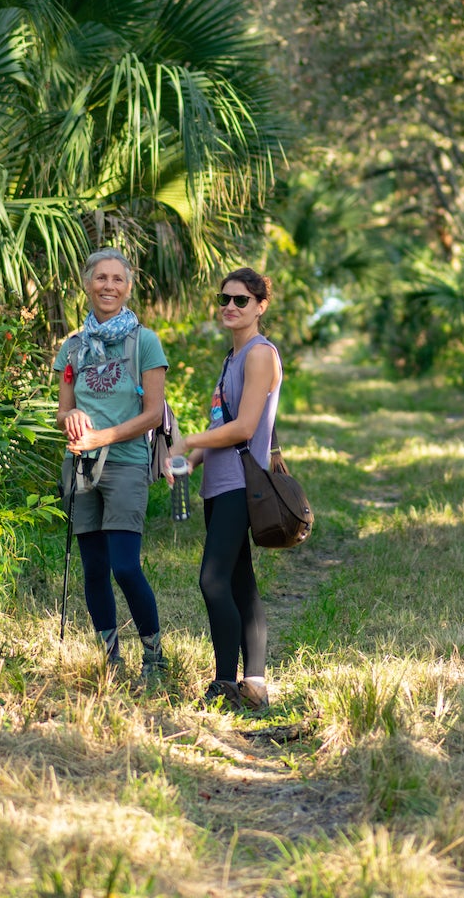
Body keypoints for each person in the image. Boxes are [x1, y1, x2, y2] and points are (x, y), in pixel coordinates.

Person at [55, 248, 168, 681]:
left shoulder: (144, 341)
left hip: (124, 464)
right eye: (101, 278)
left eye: (117, 279)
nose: (108, 286)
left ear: (129, 286)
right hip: (81, 466)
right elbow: (62, 412)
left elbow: (153, 414)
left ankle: (154, 658)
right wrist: (73, 420)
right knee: (95, 568)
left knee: (124, 565)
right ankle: (110, 660)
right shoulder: (73, 347)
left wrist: (103, 436)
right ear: (87, 284)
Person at [180, 267, 281, 711]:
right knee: (240, 580)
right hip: (218, 481)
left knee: (212, 579)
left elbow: (244, 427)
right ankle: (254, 685)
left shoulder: (260, 355)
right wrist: (188, 459)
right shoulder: (231, 358)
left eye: (241, 300)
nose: (230, 307)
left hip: (242, 483)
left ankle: (224, 684)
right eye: (224, 299)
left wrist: (191, 440)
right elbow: (221, 425)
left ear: (260, 306)